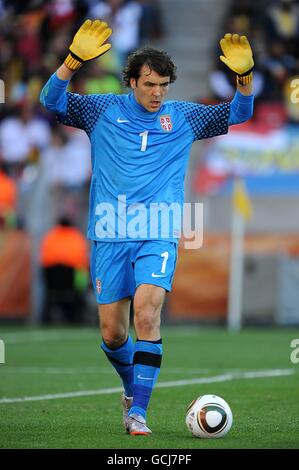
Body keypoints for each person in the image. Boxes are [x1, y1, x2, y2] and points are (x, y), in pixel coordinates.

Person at [40, 19, 254, 436]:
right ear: (132, 82)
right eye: (150, 84)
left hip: (158, 230)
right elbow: (51, 100)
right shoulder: (101, 110)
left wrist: (244, 78)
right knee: (113, 333)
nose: (157, 93)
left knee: (147, 312)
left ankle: (138, 412)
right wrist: (70, 62)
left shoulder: (184, 116)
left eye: (164, 85)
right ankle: (129, 385)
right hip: (108, 232)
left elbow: (239, 112)